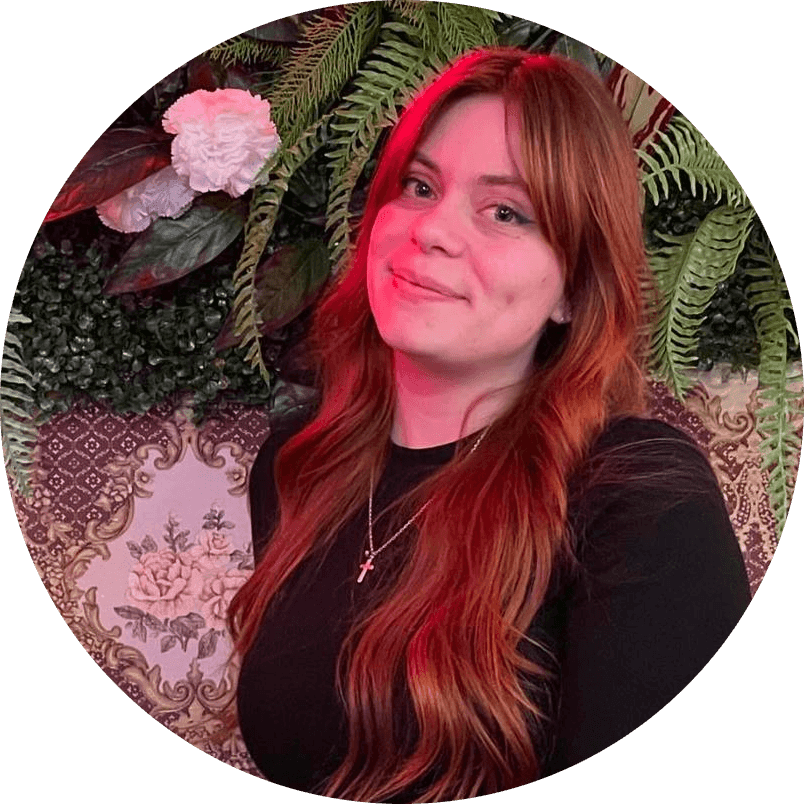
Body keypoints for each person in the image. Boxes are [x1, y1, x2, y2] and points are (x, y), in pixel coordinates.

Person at [229, 48, 750, 802]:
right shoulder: (302, 462)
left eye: (505, 212)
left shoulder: (636, 491)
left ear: (573, 288)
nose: (433, 230)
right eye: (418, 185)